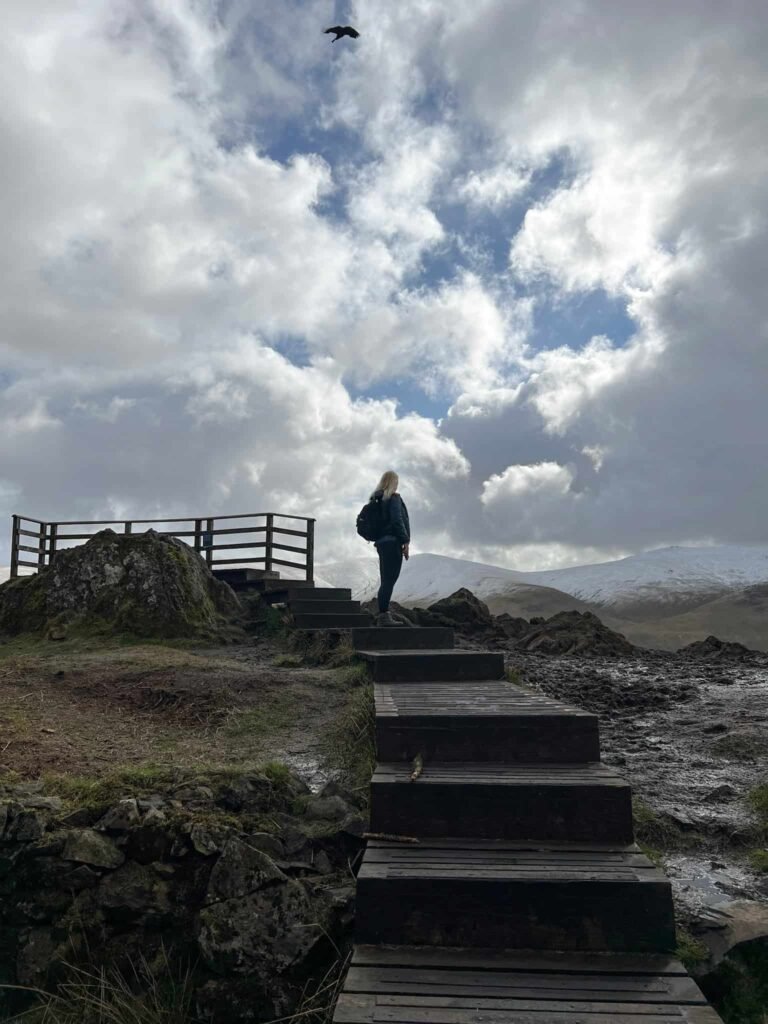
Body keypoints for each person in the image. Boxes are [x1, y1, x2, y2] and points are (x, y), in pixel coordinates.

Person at [371, 470, 410, 626]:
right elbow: (397, 520)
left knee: (385, 579)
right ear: (393, 482)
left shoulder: (376, 500)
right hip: (393, 542)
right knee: (389, 580)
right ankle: (384, 617)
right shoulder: (393, 498)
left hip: (381, 543)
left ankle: (383, 615)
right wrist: (405, 541)